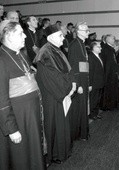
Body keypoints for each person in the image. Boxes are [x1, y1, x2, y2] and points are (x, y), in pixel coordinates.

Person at [0, 20, 45, 170]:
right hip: (18, 118)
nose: (25, 36)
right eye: (20, 33)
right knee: (21, 159)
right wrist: (11, 129)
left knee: (32, 155)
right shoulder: (1, 59)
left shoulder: (21, 55)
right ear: (9, 35)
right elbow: (2, 99)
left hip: (29, 116)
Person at [34, 24, 76, 166]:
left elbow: (68, 71)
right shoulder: (45, 53)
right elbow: (51, 78)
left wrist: (72, 84)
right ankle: (54, 154)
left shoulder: (57, 50)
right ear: (51, 37)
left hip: (62, 92)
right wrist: (67, 90)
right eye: (60, 35)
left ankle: (63, 151)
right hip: (54, 96)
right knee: (54, 125)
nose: (63, 37)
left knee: (62, 124)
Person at [68, 21, 90, 141]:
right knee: (79, 109)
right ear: (78, 31)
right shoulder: (74, 44)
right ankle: (79, 134)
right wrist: (78, 84)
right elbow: (73, 66)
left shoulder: (82, 43)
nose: (88, 32)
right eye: (86, 30)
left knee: (83, 107)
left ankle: (83, 132)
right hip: (79, 82)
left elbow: (84, 64)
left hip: (84, 80)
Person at [100, 34, 119, 111]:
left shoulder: (109, 48)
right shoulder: (107, 49)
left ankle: (110, 105)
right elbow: (111, 62)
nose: (114, 40)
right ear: (108, 40)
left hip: (110, 72)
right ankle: (110, 106)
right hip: (110, 74)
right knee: (110, 90)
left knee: (111, 89)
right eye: (113, 39)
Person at [89, 41, 104, 120]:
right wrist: (90, 84)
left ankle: (95, 113)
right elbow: (90, 72)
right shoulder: (91, 57)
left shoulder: (98, 56)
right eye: (99, 47)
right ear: (94, 48)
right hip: (94, 83)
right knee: (93, 100)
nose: (100, 48)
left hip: (99, 82)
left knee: (97, 99)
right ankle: (92, 114)